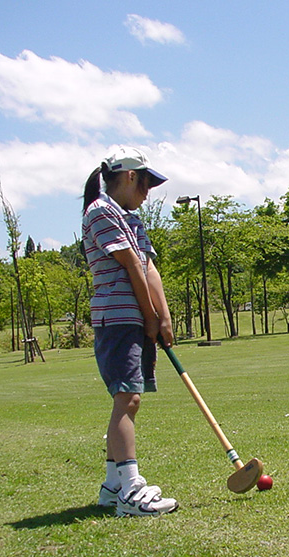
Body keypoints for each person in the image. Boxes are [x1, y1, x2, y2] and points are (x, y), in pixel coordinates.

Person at [82, 146, 178, 517]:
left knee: (130, 397)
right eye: (147, 182)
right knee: (128, 398)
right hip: (118, 318)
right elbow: (131, 267)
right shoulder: (101, 211)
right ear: (130, 176)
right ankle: (131, 490)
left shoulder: (131, 219)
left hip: (135, 318)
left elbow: (149, 269)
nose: (148, 191)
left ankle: (111, 487)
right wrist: (150, 316)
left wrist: (164, 317)